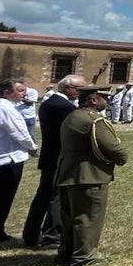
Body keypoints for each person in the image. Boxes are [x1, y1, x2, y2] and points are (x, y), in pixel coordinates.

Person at [56, 85, 127, 266]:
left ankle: (66, 253)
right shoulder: (93, 120)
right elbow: (111, 147)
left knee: (70, 218)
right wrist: (122, 158)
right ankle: (83, 257)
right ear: (94, 100)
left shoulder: (73, 116)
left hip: (68, 173)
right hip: (89, 175)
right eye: (104, 97)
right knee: (88, 218)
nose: (108, 100)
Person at [22, 74, 85, 248]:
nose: (80, 93)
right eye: (79, 89)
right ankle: (51, 235)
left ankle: (31, 233)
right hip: (60, 157)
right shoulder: (64, 107)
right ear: (68, 88)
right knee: (56, 197)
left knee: (42, 197)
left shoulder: (49, 104)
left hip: (50, 156)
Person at [0, 78, 38, 242]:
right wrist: (32, 147)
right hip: (9, 158)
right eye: (20, 90)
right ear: (7, 93)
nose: (24, 93)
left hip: (0, 157)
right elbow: (19, 132)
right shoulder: (5, 109)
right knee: (2, 197)